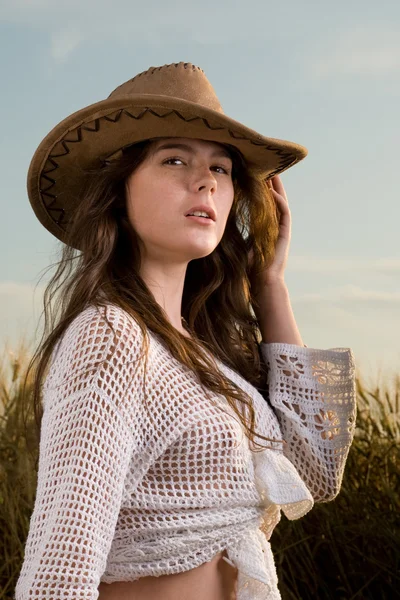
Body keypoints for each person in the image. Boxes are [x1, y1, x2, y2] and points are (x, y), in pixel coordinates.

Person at [15, 62, 357, 600]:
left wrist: (269, 283)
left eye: (221, 169)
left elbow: (314, 469)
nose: (205, 181)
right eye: (174, 159)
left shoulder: (205, 352)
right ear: (118, 192)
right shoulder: (110, 337)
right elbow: (61, 567)